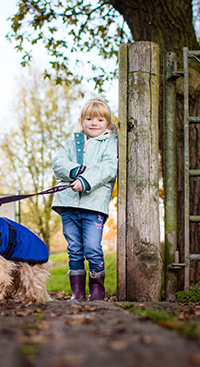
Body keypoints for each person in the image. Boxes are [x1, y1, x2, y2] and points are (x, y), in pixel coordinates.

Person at [52, 98, 118, 301]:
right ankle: (77, 292)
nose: (94, 123)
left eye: (100, 119)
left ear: (107, 123)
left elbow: (108, 168)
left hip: (93, 205)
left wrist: (85, 180)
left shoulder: (110, 143)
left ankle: (97, 290)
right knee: (74, 249)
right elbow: (58, 162)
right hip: (68, 203)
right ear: (82, 121)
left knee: (92, 247)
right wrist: (77, 171)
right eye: (89, 118)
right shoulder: (72, 142)